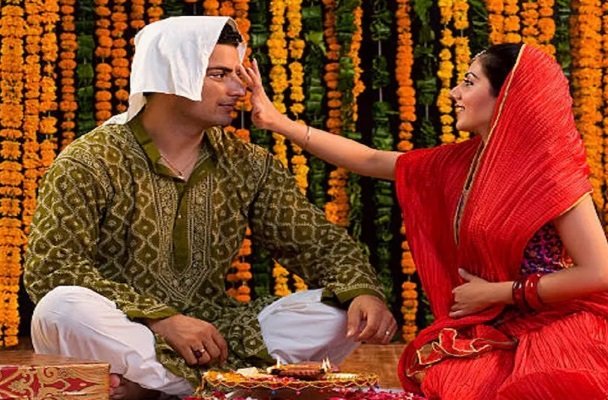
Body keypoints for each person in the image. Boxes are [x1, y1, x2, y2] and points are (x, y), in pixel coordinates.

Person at [242, 43, 608, 399]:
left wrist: (499, 292)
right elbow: (373, 159)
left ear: (507, 97)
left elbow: (599, 274)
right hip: (495, 323)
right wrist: (277, 121)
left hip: (558, 322)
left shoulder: (549, 173)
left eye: (468, 82)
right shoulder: (458, 163)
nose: (454, 93)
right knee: (451, 379)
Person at [24, 16, 396, 400]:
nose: (239, 89)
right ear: (171, 76)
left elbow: (320, 244)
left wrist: (362, 292)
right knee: (61, 308)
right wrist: (161, 319)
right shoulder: (90, 161)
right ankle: (234, 385)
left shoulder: (246, 163)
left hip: (216, 332)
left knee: (338, 312)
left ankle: (153, 389)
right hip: (127, 328)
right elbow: (51, 267)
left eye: (239, 73)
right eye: (219, 75)